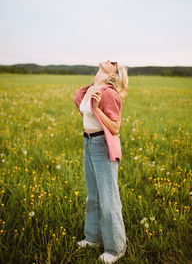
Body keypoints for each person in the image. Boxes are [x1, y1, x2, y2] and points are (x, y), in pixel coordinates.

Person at [73, 60, 128, 263]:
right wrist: (90, 104)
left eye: (114, 63)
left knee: (108, 199)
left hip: (101, 146)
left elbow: (115, 127)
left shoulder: (109, 93)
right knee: (93, 196)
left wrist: (98, 109)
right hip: (88, 143)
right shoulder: (91, 89)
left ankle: (116, 248)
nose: (109, 60)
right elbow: (84, 111)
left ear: (113, 75)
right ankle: (93, 238)